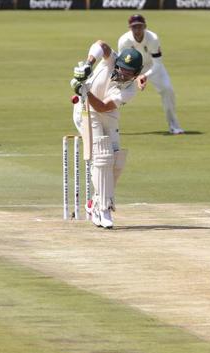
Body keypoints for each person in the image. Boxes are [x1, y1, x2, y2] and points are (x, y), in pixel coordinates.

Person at [70, 41, 143, 228]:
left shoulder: (130, 89)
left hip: (105, 112)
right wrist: (88, 64)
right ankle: (104, 209)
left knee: (116, 161)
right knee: (102, 156)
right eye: (122, 68)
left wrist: (84, 90)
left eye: (129, 71)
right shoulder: (111, 59)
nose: (124, 72)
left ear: (136, 73)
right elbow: (101, 45)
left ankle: (95, 203)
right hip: (86, 111)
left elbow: (103, 107)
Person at [117, 14, 185, 135]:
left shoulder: (152, 38)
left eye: (139, 26)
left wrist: (144, 76)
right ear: (130, 28)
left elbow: (158, 64)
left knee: (167, 89)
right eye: (134, 27)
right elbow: (121, 63)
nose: (137, 30)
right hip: (130, 69)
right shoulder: (124, 41)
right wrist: (134, 76)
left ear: (145, 26)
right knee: (115, 91)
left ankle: (174, 126)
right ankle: (110, 127)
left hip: (151, 66)